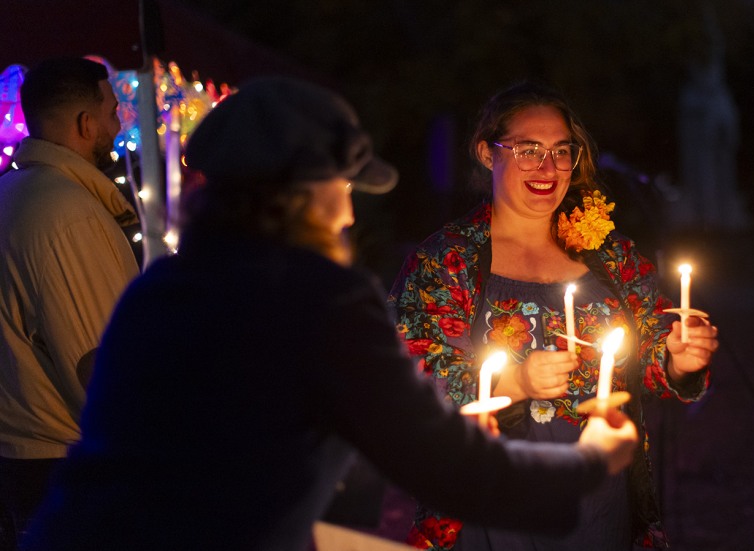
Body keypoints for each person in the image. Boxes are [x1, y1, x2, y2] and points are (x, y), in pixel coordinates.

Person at [21, 76, 640, 551]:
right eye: (341, 189)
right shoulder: (320, 299)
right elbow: (447, 467)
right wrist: (589, 460)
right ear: (298, 194)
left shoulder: (161, 289)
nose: (348, 214)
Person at [389, 81, 718, 550]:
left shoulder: (611, 257)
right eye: (528, 150)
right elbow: (408, 383)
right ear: (487, 153)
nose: (547, 167)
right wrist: (515, 384)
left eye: (562, 151)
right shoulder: (446, 261)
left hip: (599, 507)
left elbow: (650, 351)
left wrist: (679, 359)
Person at [0, 57, 139, 548]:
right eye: (113, 110)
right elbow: (96, 364)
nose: (118, 122)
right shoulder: (68, 214)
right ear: (86, 123)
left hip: (25, 459)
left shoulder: (12, 192)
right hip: (62, 464)